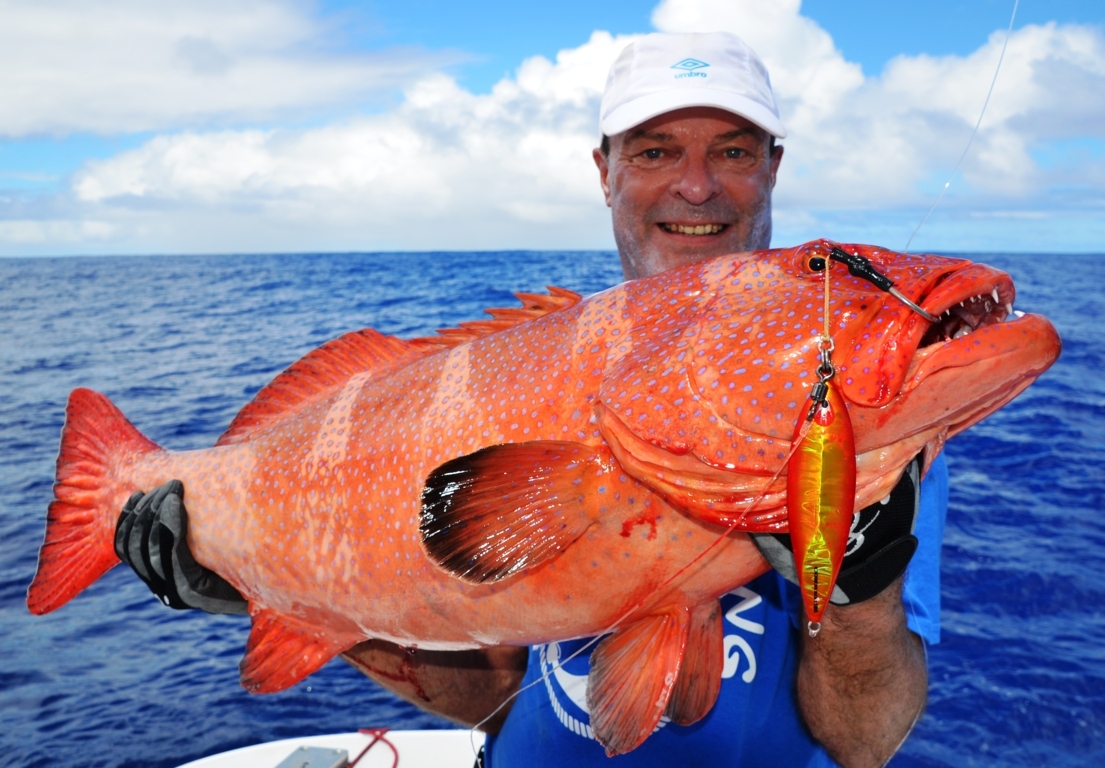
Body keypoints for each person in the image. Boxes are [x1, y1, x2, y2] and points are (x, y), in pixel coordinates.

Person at [116, 32, 946, 768]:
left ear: (772, 167)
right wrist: (275, 591)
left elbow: (865, 741)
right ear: (605, 171)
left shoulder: (869, 430)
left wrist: (860, 599)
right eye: (654, 152)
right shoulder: (529, 369)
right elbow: (495, 692)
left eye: (732, 152)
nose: (696, 187)